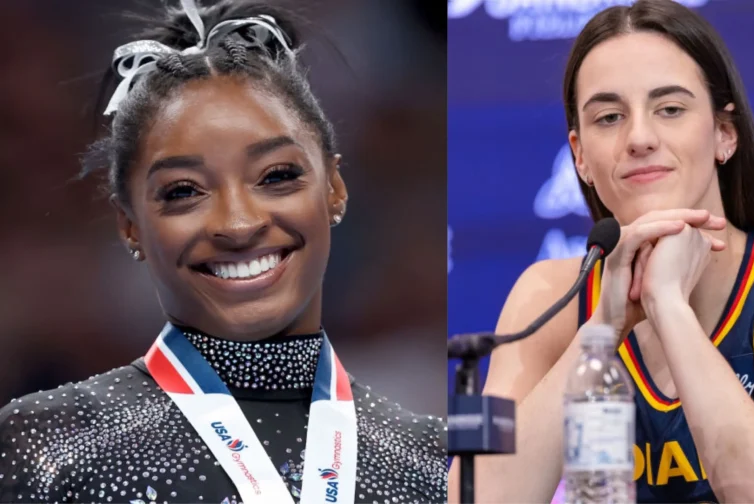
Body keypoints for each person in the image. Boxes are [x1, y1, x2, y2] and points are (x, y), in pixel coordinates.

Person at [0, 1, 447, 503]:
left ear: (334, 189)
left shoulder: (431, 462)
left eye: (276, 177)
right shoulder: (49, 448)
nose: (237, 224)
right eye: (184, 191)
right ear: (130, 226)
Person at [447, 0, 754, 502]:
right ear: (580, 156)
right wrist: (601, 330)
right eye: (610, 117)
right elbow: (476, 497)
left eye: (671, 109)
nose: (639, 137)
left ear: (725, 134)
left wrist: (668, 306)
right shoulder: (549, 297)